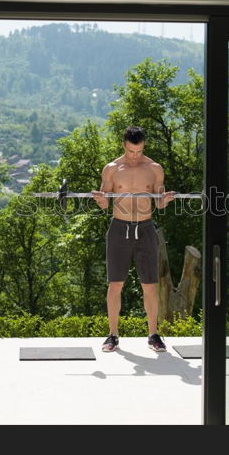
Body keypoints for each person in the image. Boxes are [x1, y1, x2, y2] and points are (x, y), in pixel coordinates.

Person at [92, 126, 175, 352]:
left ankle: (153, 335)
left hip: (146, 229)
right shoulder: (111, 169)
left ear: (143, 146)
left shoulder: (155, 169)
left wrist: (164, 200)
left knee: (150, 285)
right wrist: (99, 198)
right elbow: (104, 203)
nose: (134, 156)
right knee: (115, 284)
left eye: (138, 151)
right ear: (124, 145)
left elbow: (158, 202)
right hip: (119, 228)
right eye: (130, 152)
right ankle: (112, 335)